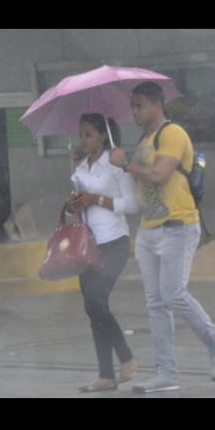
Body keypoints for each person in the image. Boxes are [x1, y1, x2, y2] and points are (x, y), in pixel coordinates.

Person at [109, 81, 215, 393]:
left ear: (155, 104)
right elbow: (142, 188)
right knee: (155, 304)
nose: (134, 112)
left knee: (173, 294)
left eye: (139, 105)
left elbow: (159, 175)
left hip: (178, 224)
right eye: (132, 106)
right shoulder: (145, 139)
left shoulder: (172, 133)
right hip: (148, 230)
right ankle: (166, 372)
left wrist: (126, 162)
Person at [68, 113, 139, 393]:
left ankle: (126, 358)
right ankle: (106, 374)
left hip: (114, 242)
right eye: (81, 134)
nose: (82, 140)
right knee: (92, 307)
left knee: (96, 301)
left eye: (88, 134)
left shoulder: (116, 164)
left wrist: (96, 198)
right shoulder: (81, 166)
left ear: (102, 136)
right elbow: (79, 202)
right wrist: (75, 203)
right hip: (88, 244)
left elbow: (132, 205)